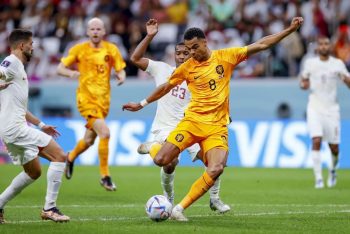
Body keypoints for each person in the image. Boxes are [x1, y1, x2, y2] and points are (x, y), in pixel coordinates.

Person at [123, 17, 304, 221]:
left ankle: (179, 208)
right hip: (192, 122)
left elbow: (262, 44)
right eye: (187, 50)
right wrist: (142, 103)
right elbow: (165, 87)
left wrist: (289, 30)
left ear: (205, 42)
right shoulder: (186, 68)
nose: (191, 53)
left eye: (194, 48)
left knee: (217, 167)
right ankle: (154, 147)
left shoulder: (226, 57)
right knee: (162, 160)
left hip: (217, 127)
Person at [130, 19, 230, 213]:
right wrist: (150, 36)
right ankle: (168, 199)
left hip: (192, 125)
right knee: (170, 163)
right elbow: (134, 58)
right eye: (179, 53)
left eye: (186, 52)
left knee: (213, 161)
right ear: (173, 55)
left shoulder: (199, 73)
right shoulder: (163, 70)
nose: (183, 56)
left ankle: (215, 199)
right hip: (166, 127)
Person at [0, 29, 70, 223]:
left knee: (34, 172)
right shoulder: (11, 62)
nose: (33, 47)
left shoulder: (18, 68)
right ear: (22, 45)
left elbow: (20, 108)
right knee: (59, 156)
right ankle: (50, 208)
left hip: (11, 128)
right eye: (31, 43)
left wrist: (41, 124)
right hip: (15, 129)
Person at [57, 17, 126, 191]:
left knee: (89, 140)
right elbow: (60, 68)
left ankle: (70, 157)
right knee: (105, 133)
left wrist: (121, 76)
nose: (95, 32)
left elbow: (120, 69)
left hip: (104, 102)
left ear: (104, 32)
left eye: (98, 29)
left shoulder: (111, 49)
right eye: (92, 29)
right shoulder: (79, 49)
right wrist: (70, 74)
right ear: (87, 32)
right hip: (86, 99)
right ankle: (105, 176)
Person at [300, 36, 350, 189]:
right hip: (315, 107)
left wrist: (346, 80)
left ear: (330, 46)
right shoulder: (310, 63)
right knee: (316, 140)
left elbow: (348, 81)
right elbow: (303, 81)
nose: (323, 46)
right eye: (321, 44)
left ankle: (333, 170)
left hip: (332, 109)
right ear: (317, 47)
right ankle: (318, 178)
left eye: (326, 44)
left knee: (334, 147)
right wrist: (304, 84)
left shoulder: (337, 64)